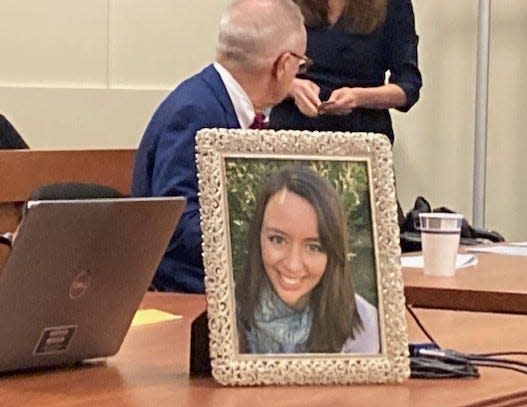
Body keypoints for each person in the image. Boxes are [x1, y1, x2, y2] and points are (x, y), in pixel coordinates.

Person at [131, 0, 307, 293]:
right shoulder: (195, 113)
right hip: (188, 298)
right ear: (283, 65)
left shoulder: (214, 100)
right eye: (300, 65)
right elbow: (177, 224)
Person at [236, 165, 379, 354]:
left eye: (314, 247)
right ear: (257, 238)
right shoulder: (226, 310)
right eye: (277, 240)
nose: (293, 264)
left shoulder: (363, 323)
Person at [268, 0, 422, 145]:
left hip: (361, 140)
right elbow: (254, 69)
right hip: (289, 136)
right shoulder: (285, 4)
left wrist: (358, 97)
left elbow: (408, 88)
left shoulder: (393, 5)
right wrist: (290, 86)